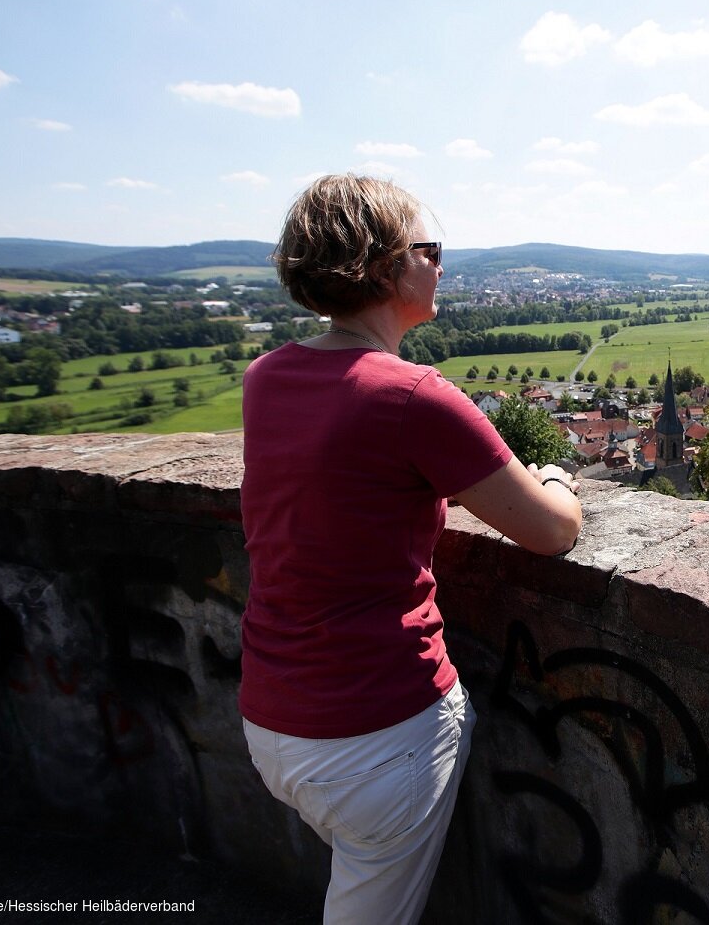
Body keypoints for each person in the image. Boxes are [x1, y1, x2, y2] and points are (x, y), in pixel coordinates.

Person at [238, 174, 582, 924]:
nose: (441, 265)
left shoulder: (265, 379)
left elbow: (343, 490)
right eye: (430, 249)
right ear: (385, 265)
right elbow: (553, 529)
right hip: (375, 734)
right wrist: (556, 472)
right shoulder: (413, 396)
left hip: (271, 719)